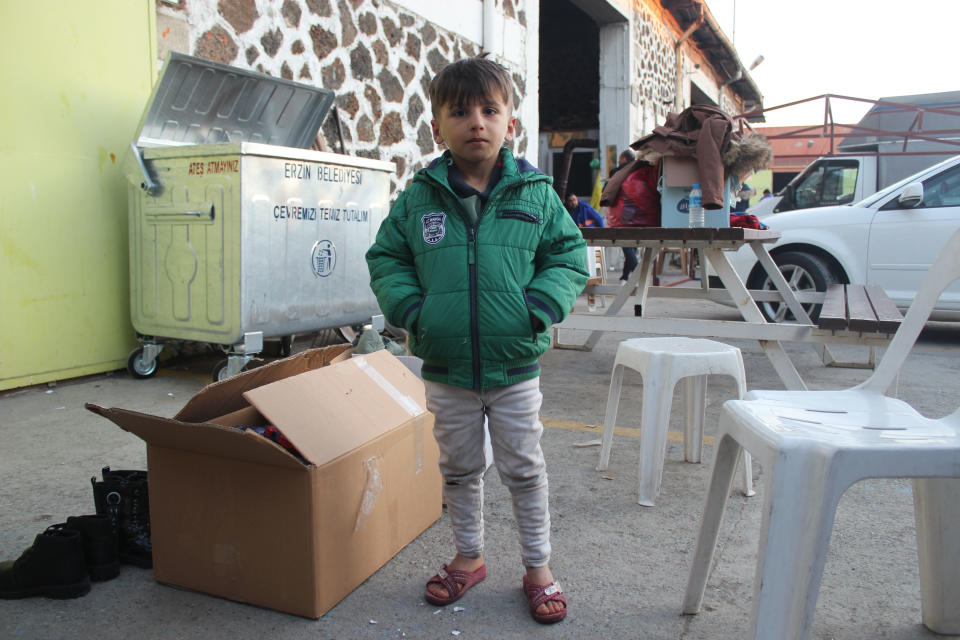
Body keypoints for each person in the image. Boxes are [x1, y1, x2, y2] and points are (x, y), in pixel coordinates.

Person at [365, 57, 588, 625]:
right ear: (438, 126)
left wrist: (537, 307)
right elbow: (386, 256)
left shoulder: (535, 193)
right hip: (446, 367)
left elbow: (567, 256)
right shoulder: (419, 198)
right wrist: (413, 309)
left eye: (490, 110)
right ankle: (469, 556)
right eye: (460, 112)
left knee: (523, 467)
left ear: (509, 122)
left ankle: (538, 567)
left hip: (515, 366)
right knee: (460, 469)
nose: (476, 123)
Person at [609, 149, 638, 282]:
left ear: (624, 159)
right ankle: (625, 276)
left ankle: (638, 274)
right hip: (639, 213)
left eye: (620, 158)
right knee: (631, 246)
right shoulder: (640, 170)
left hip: (622, 213)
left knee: (626, 245)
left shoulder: (618, 172)